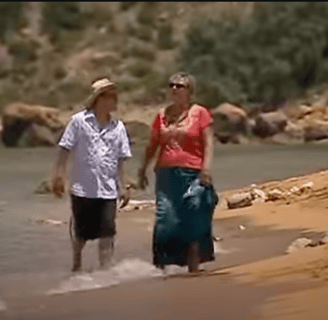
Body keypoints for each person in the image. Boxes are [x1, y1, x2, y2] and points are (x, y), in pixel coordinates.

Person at [137, 72, 218, 273]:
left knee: (193, 219)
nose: (174, 89)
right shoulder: (162, 115)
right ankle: (162, 268)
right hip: (165, 174)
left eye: (179, 86)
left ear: (189, 90)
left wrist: (206, 169)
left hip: (193, 172)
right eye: (171, 85)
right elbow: (152, 145)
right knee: (166, 219)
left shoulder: (200, 113)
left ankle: (194, 266)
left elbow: (208, 143)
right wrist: (142, 169)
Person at [52, 78, 132, 272]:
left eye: (114, 97)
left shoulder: (118, 127)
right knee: (80, 234)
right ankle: (76, 265)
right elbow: (65, 149)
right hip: (82, 188)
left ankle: (105, 271)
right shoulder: (79, 121)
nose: (112, 100)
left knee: (108, 232)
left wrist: (124, 185)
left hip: (108, 190)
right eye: (107, 96)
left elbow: (120, 159)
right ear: (97, 99)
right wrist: (58, 176)